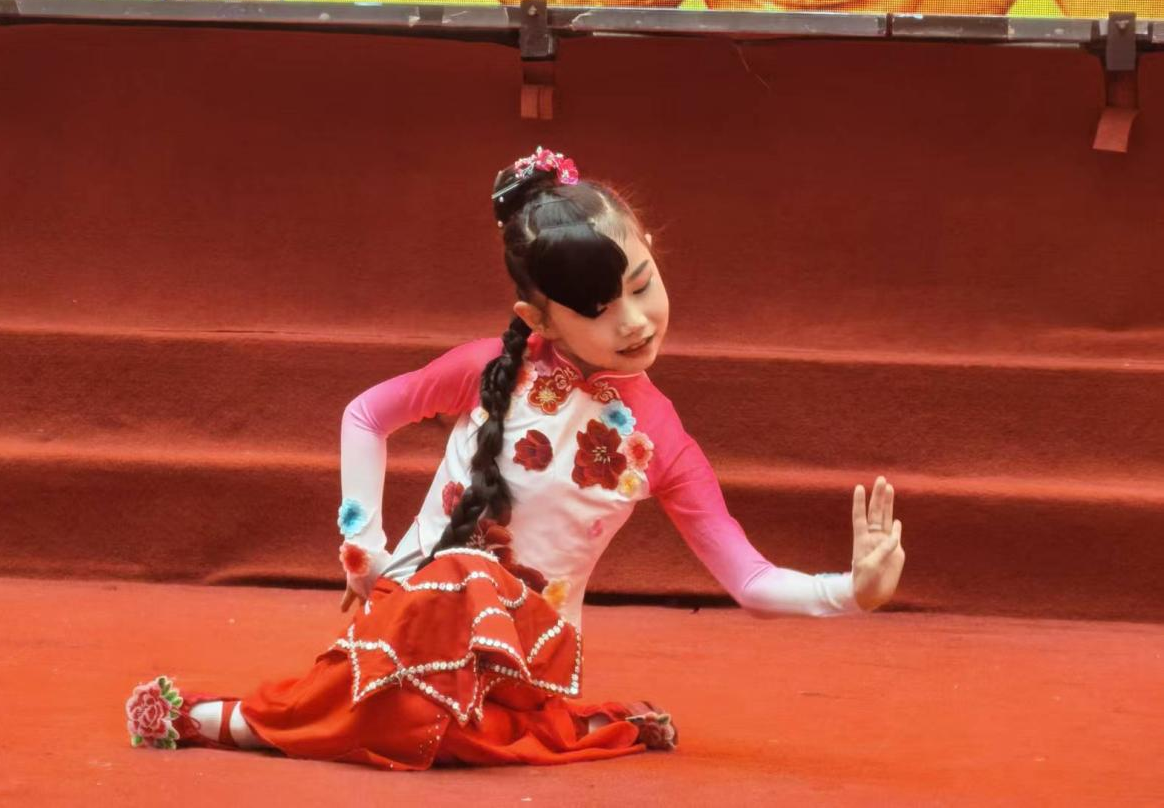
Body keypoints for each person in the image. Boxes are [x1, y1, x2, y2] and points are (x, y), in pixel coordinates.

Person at [124, 147, 906, 769]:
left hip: (525, 658)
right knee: (445, 620)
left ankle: (239, 721)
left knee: (433, 725)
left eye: (642, 286)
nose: (635, 323)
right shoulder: (487, 369)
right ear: (537, 317)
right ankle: (240, 720)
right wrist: (363, 545)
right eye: (600, 310)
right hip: (409, 619)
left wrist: (849, 591)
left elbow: (749, 581)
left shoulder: (662, 440)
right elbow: (365, 415)